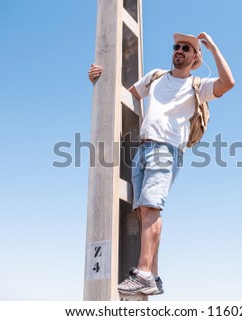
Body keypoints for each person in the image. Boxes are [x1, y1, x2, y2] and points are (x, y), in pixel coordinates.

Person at [88, 32, 234, 295]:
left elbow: (229, 83)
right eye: (176, 47)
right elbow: (124, 95)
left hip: (166, 149)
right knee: (144, 211)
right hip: (143, 147)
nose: (179, 50)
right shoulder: (155, 76)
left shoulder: (198, 86)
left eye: (186, 48)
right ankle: (152, 275)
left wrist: (213, 47)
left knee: (151, 206)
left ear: (195, 57)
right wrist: (100, 78)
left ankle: (143, 273)